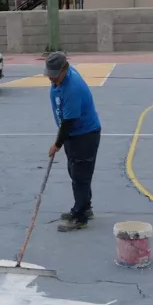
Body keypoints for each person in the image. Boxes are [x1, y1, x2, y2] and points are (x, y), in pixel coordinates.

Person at [45, 52, 102, 232]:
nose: (52, 78)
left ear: (65, 69)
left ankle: (80, 216)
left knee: (80, 176)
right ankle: (85, 206)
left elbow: (69, 122)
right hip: (73, 134)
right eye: (50, 75)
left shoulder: (72, 88)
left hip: (84, 135)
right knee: (75, 171)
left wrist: (57, 145)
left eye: (55, 75)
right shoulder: (60, 80)